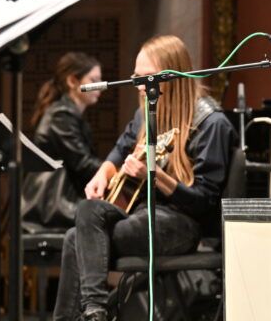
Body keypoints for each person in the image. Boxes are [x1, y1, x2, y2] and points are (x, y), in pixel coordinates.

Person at [53, 35, 237, 321]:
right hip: (142, 215)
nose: (138, 85)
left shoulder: (211, 123)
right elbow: (118, 151)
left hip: (182, 226)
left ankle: (90, 313)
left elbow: (204, 202)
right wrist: (102, 174)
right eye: (135, 76)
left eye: (145, 78)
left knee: (75, 238)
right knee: (87, 210)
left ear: (171, 76)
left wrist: (156, 175)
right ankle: (95, 311)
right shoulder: (146, 114)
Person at [22, 52, 104, 232]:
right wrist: (115, 172)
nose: (101, 86)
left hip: (63, 200)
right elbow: (82, 163)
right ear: (73, 81)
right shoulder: (61, 115)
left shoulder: (68, 114)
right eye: (94, 79)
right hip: (54, 205)